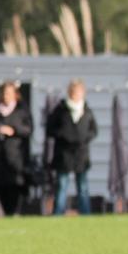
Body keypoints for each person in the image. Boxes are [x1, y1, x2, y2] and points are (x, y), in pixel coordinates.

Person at [0, 81, 34, 217]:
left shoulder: (21, 110)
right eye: (4, 93)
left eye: (9, 93)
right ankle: (7, 212)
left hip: (15, 156)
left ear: (15, 94)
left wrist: (13, 130)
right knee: (1, 185)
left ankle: (15, 211)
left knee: (15, 184)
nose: (6, 95)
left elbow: (28, 130)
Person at [47, 79, 99, 216]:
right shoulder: (60, 110)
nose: (76, 94)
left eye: (79, 92)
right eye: (74, 92)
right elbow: (50, 129)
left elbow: (93, 131)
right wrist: (65, 135)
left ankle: (85, 214)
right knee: (62, 185)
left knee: (82, 186)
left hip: (81, 154)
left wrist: (83, 138)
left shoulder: (87, 111)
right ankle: (58, 213)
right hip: (64, 154)